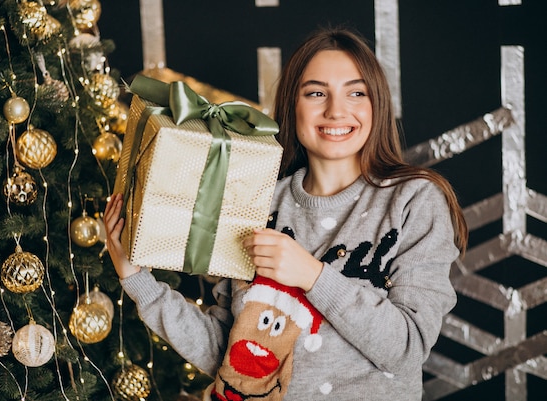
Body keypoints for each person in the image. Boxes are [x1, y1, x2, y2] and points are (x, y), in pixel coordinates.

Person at [104, 26, 468, 401]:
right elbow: (228, 356)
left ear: (378, 104)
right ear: (293, 105)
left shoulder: (415, 201)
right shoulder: (256, 202)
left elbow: (407, 348)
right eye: (316, 93)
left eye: (356, 93)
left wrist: (312, 275)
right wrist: (137, 280)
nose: (336, 110)